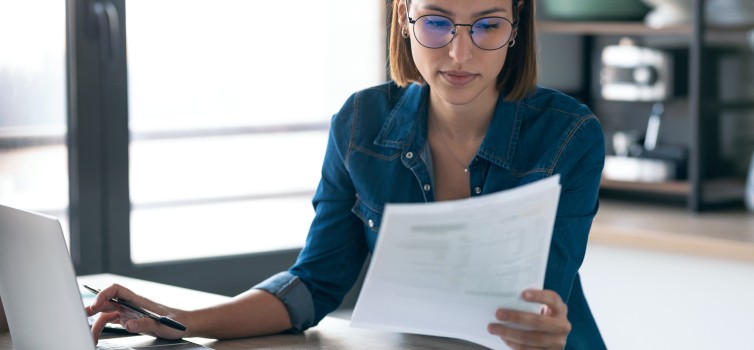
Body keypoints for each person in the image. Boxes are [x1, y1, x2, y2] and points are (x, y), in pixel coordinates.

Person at [86, 0, 606, 349]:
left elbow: (542, 304)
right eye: (436, 22)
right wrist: (184, 321)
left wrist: (544, 328)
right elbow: (314, 284)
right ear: (403, 16)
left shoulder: (569, 135)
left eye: (488, 25)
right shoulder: (360, 123)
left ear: (516, 26)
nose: (459, 53)